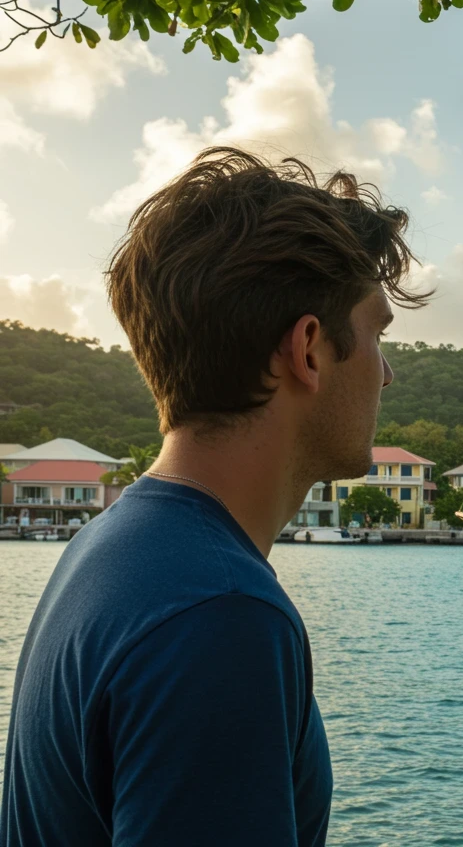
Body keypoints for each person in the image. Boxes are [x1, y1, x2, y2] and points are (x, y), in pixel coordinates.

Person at [1, 148, 431, 846]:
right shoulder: (220, 616)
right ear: (310, 350)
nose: (387, 374)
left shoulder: (112, 549)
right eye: (378, 331)